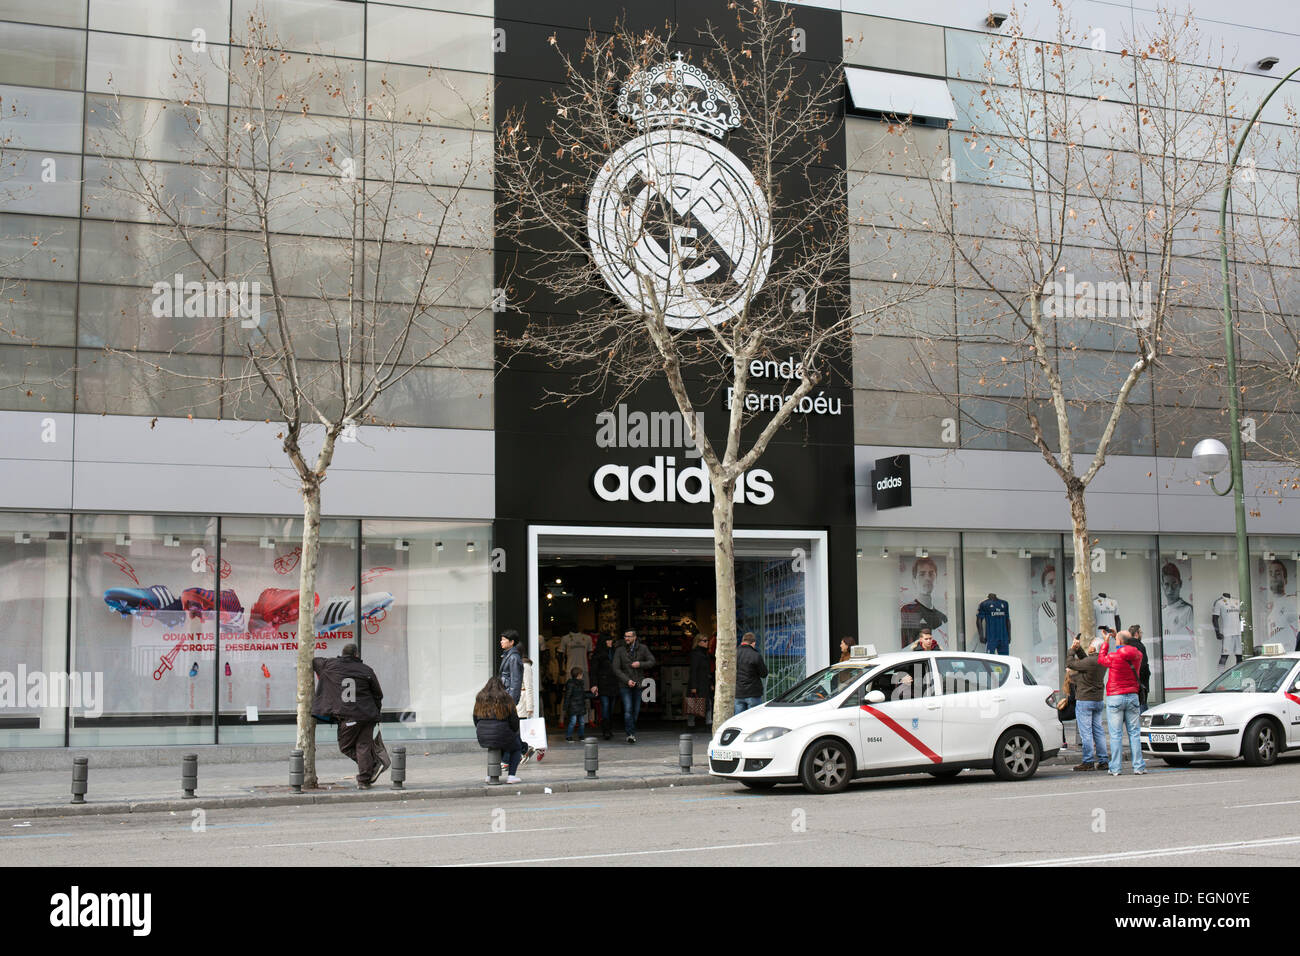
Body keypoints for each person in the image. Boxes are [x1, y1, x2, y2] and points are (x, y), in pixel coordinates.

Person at [311, 643, 390, 788]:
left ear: (342, 654)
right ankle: (364, 781)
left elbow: (315, 661)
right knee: (363, 746)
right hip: (368, 715)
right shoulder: (367, 670)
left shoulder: (330, 665)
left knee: (345, 747)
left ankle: (372, 765)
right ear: (357, 655)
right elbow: (378, 695)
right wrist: (376, 712)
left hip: (348, 715)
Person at [1097, 630, 1147, 776]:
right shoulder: (1138, 655)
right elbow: (1132, 646)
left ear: (1118, 642)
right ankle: (1138, 766)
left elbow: (1101, 659)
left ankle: (1115, 768)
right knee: (1134, 733)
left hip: (1115, 697)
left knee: (1116, 735)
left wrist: (1106, 641)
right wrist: (1120, 635)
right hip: (1132, 696)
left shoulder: (1113, 656)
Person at [1065, 634, 1110, 771]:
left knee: (1086, 733)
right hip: (1097, 700)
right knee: (1098, 731)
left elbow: (1070, 663)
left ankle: (1088, 761)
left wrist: (1072, 650)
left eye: (1091, 644)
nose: (1089, 646)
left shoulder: (1090, 662)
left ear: (1093, 648)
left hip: (1085, 700)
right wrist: (1079, 649)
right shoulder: (1102, 660)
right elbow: (1085, 660)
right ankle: (1103, 760)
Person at [473, 676, 523, 784]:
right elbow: (514, 720)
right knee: (517, 747)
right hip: (502, 732)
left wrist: (482, 729)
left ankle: (489, 775)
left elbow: (475, 717)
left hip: (482, 734)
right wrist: (513, 732)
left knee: (497, 746)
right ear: (502, 686)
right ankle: (511, 776)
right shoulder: (506, 697)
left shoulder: (480, 697)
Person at [613, 628, 655, 743]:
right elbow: (615, 668)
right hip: (624, 684)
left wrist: (640, 664)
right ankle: (630, 734)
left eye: (629, 636)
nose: (626, 638)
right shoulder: (619, 650)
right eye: (625, 636)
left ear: (634, 637)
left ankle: (631, 731)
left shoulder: (643, 648)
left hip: (639, 683)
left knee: (635, 711)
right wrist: (627, 681)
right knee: (628, 709)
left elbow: (652, 661)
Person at [900, 556, 948, 647]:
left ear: (936, 578)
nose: (927, 578)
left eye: (931, 574)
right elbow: (906, 644)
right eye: (922, 574)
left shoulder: (943, 618)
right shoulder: (908, 611)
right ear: (914, 580)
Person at [591, 633, 619, 740]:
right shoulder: (597, 654)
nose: (611, 641)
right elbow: (593, 671)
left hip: (614, 684)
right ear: (604, 641)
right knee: (606, 707)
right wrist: (594, 684)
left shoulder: (615, 652)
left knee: (611, 708)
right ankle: (606, 730)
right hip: (603, 684)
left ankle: (609, 728)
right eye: (609, 640)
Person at [734, 631, 768, 714]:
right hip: (753, 693)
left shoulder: (734, 654)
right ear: (753, 643)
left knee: (738, 720)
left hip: (738, 692)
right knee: (753, 719)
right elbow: (764, 674)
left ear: (742, 641)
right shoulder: (755, 655)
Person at [1160, 563, 1194, 639]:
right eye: (1167, 584)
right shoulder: (1162, 612)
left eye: (1174, 583)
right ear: (1162, 586)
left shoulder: (1187, 610)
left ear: (1180, 583)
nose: (1170, 589)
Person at [687, 635, 713, 728]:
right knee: (694, 702)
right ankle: (691, 723)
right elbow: (693, 671)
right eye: (705, 640)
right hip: (698, 683)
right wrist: (693, 686)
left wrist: (710, 684)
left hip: (705, 683)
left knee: (707, 702)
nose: (707, 642)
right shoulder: (695, 654)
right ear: (698, 642)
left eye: (707, 640)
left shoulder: (706, 654)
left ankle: (708, 722)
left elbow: (707, 671)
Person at [1127, 624, 1152, 711]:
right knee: (1142, 704)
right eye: (1141, 632)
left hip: (1129, 682)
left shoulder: (1125, 645)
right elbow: (1143, 664)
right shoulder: (1140, 646)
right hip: (1141, 681)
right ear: (1136, 634)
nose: (1141, 634)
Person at [498, 629, 524, 705]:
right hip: (504, 694)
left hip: (508, 697)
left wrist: (511, 701)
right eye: (501, 639)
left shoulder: (513, 657)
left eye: (504, 640)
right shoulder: (507, 655)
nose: (501, 641)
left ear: (511, 642)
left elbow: (516, 681)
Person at [563, 667, 588, 741]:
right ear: (579, 675)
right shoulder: (571, 684)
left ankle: (581, 735)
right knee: (573, 722)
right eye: (581, 674)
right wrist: (566, 706)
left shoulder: (581, 683)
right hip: (573, 706)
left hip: (580, 705)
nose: (582, 676)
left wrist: (592, 695)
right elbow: (567, 695)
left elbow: (583, 694)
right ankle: (569, 736)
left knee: (582, 722)